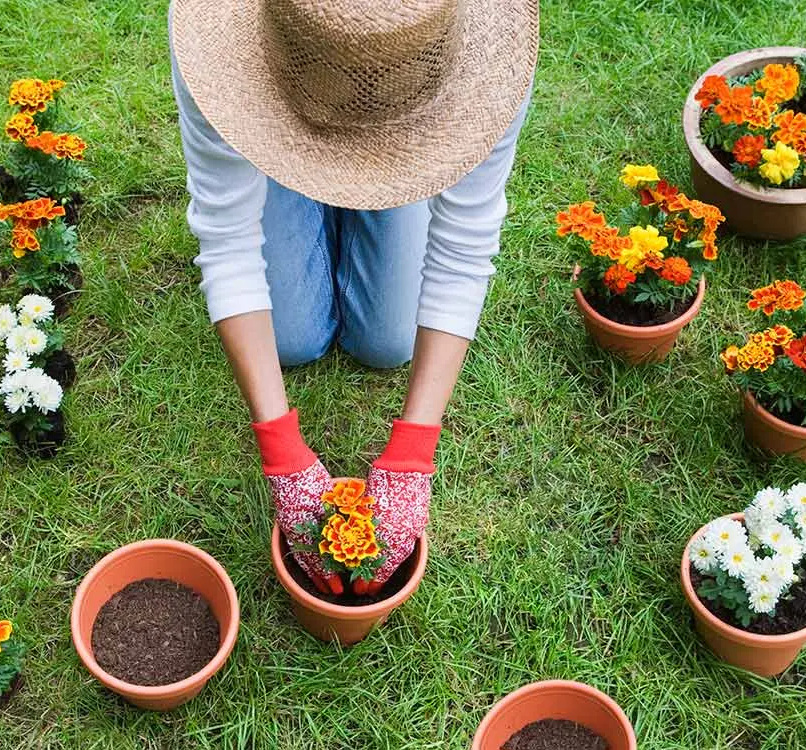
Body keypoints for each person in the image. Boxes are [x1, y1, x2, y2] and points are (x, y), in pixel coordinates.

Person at [169, 0, 539, 595]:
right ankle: (301, 178)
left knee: (388, 340)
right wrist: (282, 451)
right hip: (281, 104)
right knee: (292, 339)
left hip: (406, 109)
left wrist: (415, 454)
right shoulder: (213, 50)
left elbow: (465, 248)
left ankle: (378, 176)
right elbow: (227, 239)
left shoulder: (492, 66)